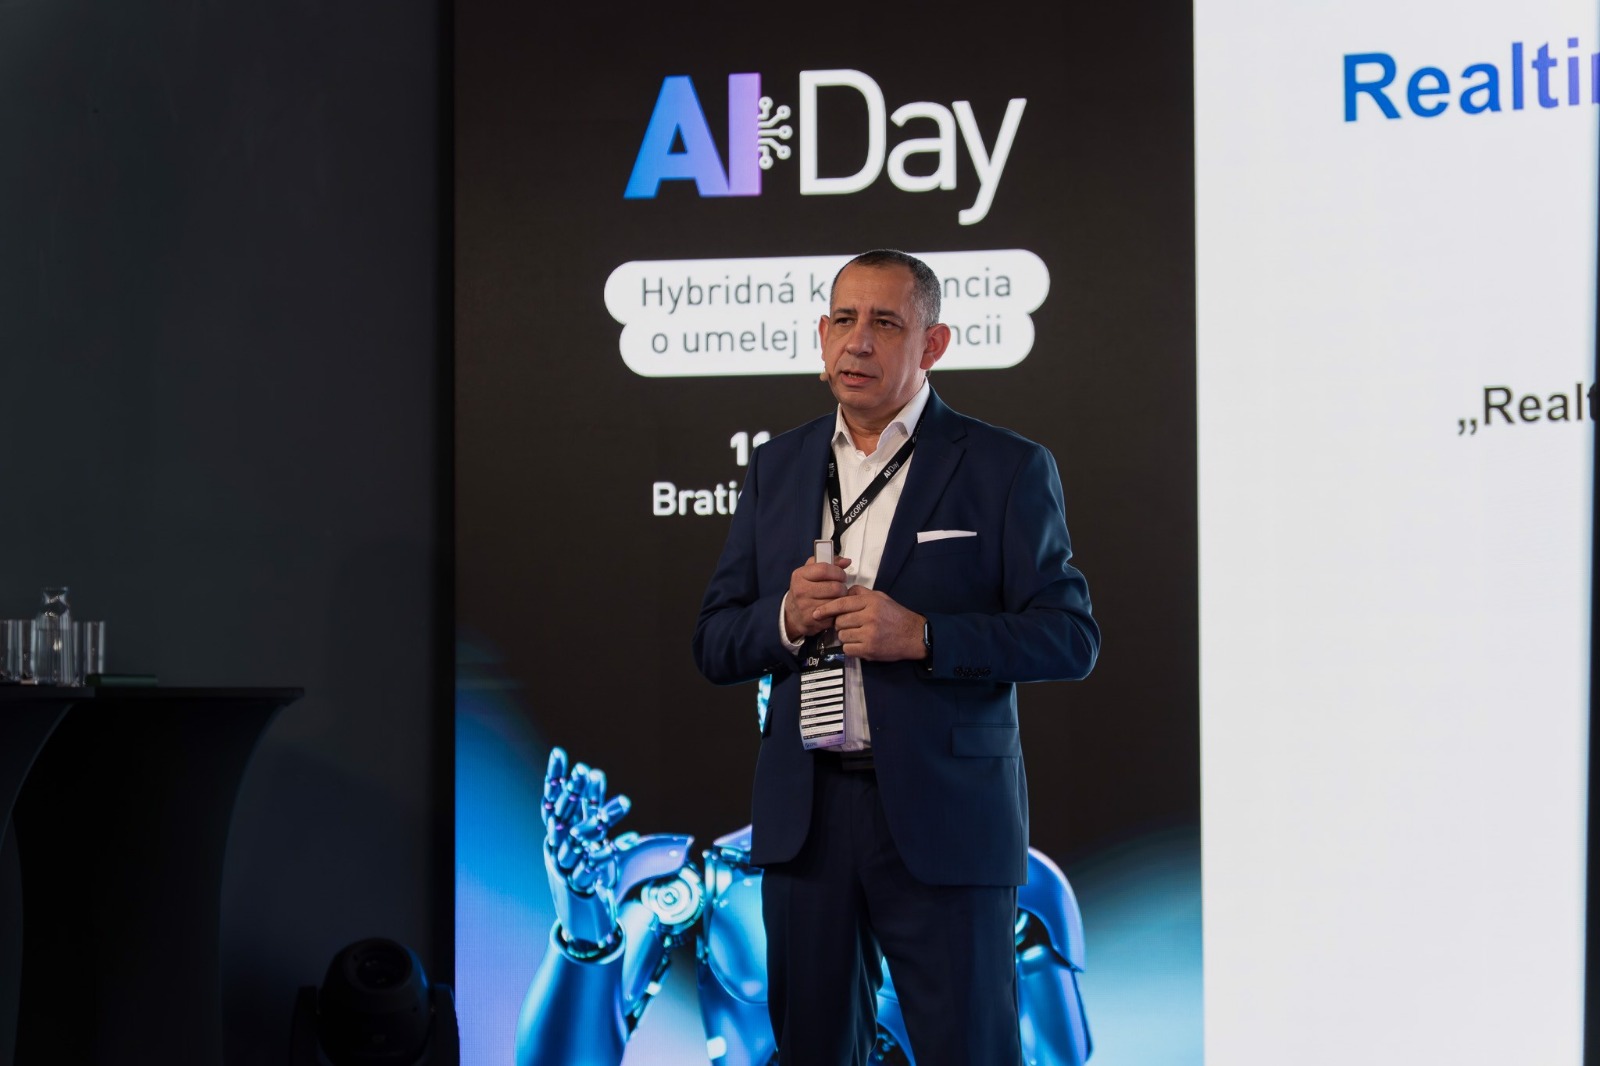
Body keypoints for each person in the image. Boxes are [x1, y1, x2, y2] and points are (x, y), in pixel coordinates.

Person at [693, 249, 1099, 1066]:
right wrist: (786, 617)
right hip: (807, 819)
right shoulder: (778, 466)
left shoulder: (1005, 466)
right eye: (844, 320)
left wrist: (924, 636)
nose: (859, 342)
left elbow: (1068, 636)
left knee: (969, 1049)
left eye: (886, 323)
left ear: (933, 344)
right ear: (821, 335)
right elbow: (715, 640)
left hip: (946, 819)